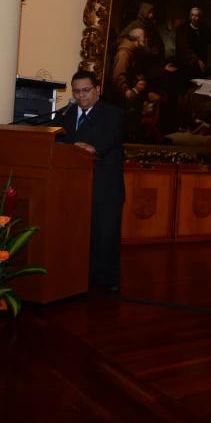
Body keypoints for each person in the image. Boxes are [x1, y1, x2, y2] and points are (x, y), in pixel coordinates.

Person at [55, 71, 125, 291]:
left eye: (86, 90)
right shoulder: (65, 114)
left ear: (97, 90)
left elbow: (113, 135)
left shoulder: (113, 113)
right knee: (75, 234)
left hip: (105, 187)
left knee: (104, 235)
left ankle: (105, 281)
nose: (81, 96)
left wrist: (94, 148)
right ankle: (76, 277)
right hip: (74, 186)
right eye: (76, 91)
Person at [175, 6, 211, 81]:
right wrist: (196, 60)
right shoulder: (183, 29)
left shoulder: (203, 29)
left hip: (200, 65)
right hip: (187, 66)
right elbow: (184, 48)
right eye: (192, 15)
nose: (193, 18)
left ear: (200, 17)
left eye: (196, 16)